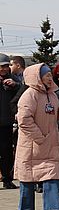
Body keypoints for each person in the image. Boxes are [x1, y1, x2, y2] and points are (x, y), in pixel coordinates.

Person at [15, 64, 59, 210]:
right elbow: (24, 120)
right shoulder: (29, 95)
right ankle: (26, 209)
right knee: (28, 177)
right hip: (32, 145)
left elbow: (50, 116)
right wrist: (39, 137)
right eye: (46, 75)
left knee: (52, 175)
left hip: (50, 144)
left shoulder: (52, 95)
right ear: (37, 77)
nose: (50, 78)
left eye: (50, 75)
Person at [0, 54, 21, 189]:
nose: (3, 69)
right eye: (1, 67)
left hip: (6, 122)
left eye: (6, 66)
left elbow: (23, 91)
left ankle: (7, 179)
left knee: (7, 152)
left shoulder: (13, 79)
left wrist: (15, 85)